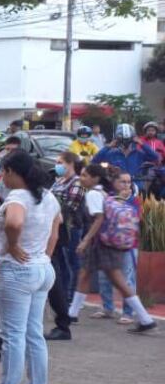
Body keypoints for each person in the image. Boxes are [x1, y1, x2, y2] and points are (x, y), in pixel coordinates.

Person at [0, 150, 61, 384]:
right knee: (33, 334)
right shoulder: (48, 195)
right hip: (41, 267)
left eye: (3, 172)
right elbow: (56, 228)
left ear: (10, 172)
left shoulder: (17, 196)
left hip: (17, 270)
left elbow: (14, 221)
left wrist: (12, 246)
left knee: (13, 336)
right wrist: (44, 255)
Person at [71, 163, 157, 335]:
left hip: (101, 244)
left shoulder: (94, 194)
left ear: (95, 177)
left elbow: (99, 218)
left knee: (117, 281)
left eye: (85, 175)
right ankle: (72, 313)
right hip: (106, 242)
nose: (82, 179)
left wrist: (85, 240)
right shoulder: (104, 193)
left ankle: (145, 318)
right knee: (86, 274)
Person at [47, 152, 86, 341]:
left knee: (69, 265)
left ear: (71, 163)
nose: (57, 165)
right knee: (61, 266)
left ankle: (69, 298)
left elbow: (70, 205)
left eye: (60, 162)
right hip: (57, 228)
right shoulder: (58, 181)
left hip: (70, 228)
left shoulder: (76, 182)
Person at [92, 123, 161, 190]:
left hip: (137, 186)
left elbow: (155, 157)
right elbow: (94, 161)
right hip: (117, 189)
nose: (126, 143)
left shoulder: (139, 153)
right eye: (123, 140)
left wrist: (142, 144)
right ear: (117, 140)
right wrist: (108, 147)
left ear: (133, 140)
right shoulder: (111, 153)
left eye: (128, 140)